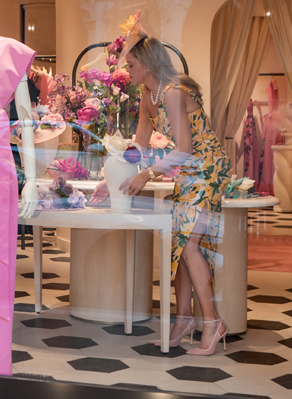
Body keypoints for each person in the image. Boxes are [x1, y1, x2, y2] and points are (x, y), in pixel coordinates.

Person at [92, 33, 231, 355]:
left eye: (131, 64)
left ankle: (213, 323)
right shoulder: (148, 94)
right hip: (190, 172)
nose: (127, 70)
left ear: (148, 64)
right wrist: (112, 178)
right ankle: (184, 320)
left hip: (208, 169)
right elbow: (138, 147)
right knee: (181, 247)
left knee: (189, 246)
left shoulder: (172, 93)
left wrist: (147, 174)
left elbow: (185, 149)